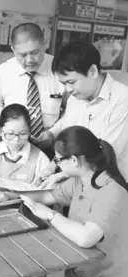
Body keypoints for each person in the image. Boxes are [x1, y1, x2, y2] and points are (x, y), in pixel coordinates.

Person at [16, 126, 128, 277]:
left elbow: (86, 237)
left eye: (59, 160)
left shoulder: (111, 190)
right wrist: (9, 194)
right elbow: (47, 196)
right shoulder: (80, 180)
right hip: (79, 269)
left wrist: (49, 214)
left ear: (74, 160)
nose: (58, 165)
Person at [35, 41, 128, 187]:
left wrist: (62, 174)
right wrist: (50, 168)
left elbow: (106, 154)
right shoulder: (75, 99)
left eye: (71, 82)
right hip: (79, 183)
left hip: (113, 186)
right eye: (63, 83)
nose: (67, 89)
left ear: (92, 72)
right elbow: (69, 142)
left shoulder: (122, 101)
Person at [0, 22, 63, 141]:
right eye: (22, 55)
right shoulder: (2, 72)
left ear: (44, 44)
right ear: (13, 49)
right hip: (13, 141)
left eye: (35, 53)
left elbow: (72, 110)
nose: (29, 60)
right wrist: (6, 128)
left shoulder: (60, 69)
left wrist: (53, 132)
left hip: (52, 142)